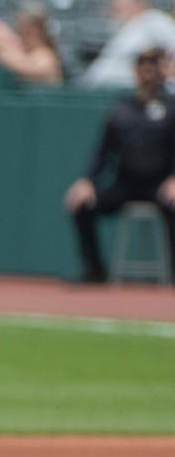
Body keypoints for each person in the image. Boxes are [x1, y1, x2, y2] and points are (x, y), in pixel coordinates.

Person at [63, 46, 175, 283]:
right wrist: (87, 180)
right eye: (142, 66)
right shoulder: (121, 110)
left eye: (153, 66)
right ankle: (95, 269)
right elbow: (102, 152)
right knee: (82, 206)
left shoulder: (171, 107)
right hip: (127, 183)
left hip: (161, 184)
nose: (147, 72)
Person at [79, 0, 175, 87]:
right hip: (106, 93)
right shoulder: (124, 28)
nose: (113, 5)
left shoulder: (153, 20)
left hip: (133, 95)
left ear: (136, 1)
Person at [0, 2, 65, 85]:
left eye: (25, 31)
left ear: (37, 30)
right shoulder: (23, 52)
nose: (21, 35)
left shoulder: (46, 56)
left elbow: (26, 68)